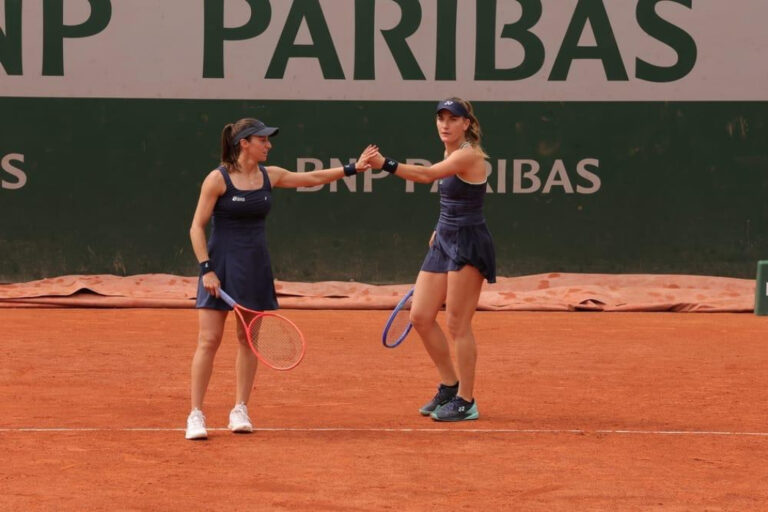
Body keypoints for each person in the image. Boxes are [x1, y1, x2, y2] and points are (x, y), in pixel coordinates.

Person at [186, 117, 377, 440]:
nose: (269, 145)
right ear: (244, 143)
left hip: (255, 267)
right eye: (263, 140)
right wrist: (207, 269)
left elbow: (311, 177)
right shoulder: (217, 180)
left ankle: (240, 408)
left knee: (248, 340)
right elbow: (196, 227)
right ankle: (196, 414)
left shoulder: (269, 176)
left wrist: (352, 169)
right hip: (219, 268)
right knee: (209, 341)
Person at [370, 98, 495, 422]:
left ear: (466, 123)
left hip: (468, 242)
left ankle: (467, 401)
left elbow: (426, 176)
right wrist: (439, 228)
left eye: (453, 119)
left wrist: (386, 164)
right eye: (440, 118)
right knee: (422, 317)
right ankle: (450, 385)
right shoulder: (450, 151)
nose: (445, 124)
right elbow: (452, 199)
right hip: (443, 240)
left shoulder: (469, 155)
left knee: (457, 323)